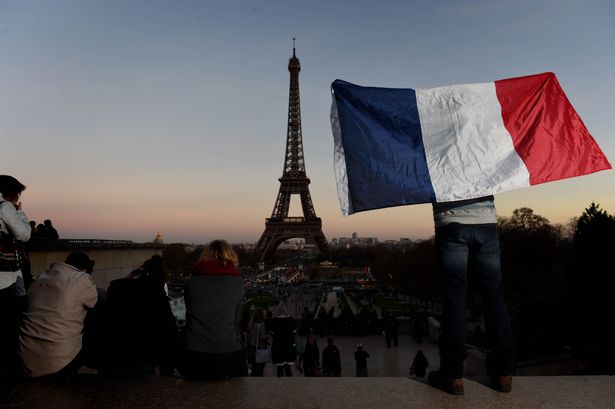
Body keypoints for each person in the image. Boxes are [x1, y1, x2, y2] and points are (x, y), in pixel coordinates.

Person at [427, 196, 513, 395]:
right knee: (494, 299)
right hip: (486, 223)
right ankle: (504, 373)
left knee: (454, 299)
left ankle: (452, 373)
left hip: (450, 223)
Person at [96, 255, 178, 377]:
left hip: (110, 358)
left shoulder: (117, 288)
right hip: (140, 360)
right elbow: (169, 329)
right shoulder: (155, 293)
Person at [19, 252, 98, 379]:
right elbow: (94, 303)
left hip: (26, 361)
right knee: (94, 317)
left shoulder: (40, 278)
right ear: (83, 270)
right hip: (60, 365)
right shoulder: (81, 279)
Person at [178, 240, 247, 380]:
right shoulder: (237, 282)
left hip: (194, 355)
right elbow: (236, 321)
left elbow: (191, 313)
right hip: (228, 354)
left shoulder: (190, 283)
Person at [0, 175, 31, 379]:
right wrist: (21, 214)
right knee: (10, 323)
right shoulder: (6, 207)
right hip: (6, 276)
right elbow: (24, 234)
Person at [269, 304, 297, 377]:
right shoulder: (291, 319)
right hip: (289, 346)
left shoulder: (274, 320)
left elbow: (271, 332)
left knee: (279, 368)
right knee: (288, 368)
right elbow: (294, 331)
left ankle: (280, 385)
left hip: (278, 346)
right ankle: (289, 385)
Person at [247, 308, 269, 377]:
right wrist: (267, 336)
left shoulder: (251, 324)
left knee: (254, 368)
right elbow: (262, 337)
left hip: (252, 347)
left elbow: (250, 336)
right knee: (260, 369)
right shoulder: (261, 325)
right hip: (260, 348)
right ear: (261, 315)